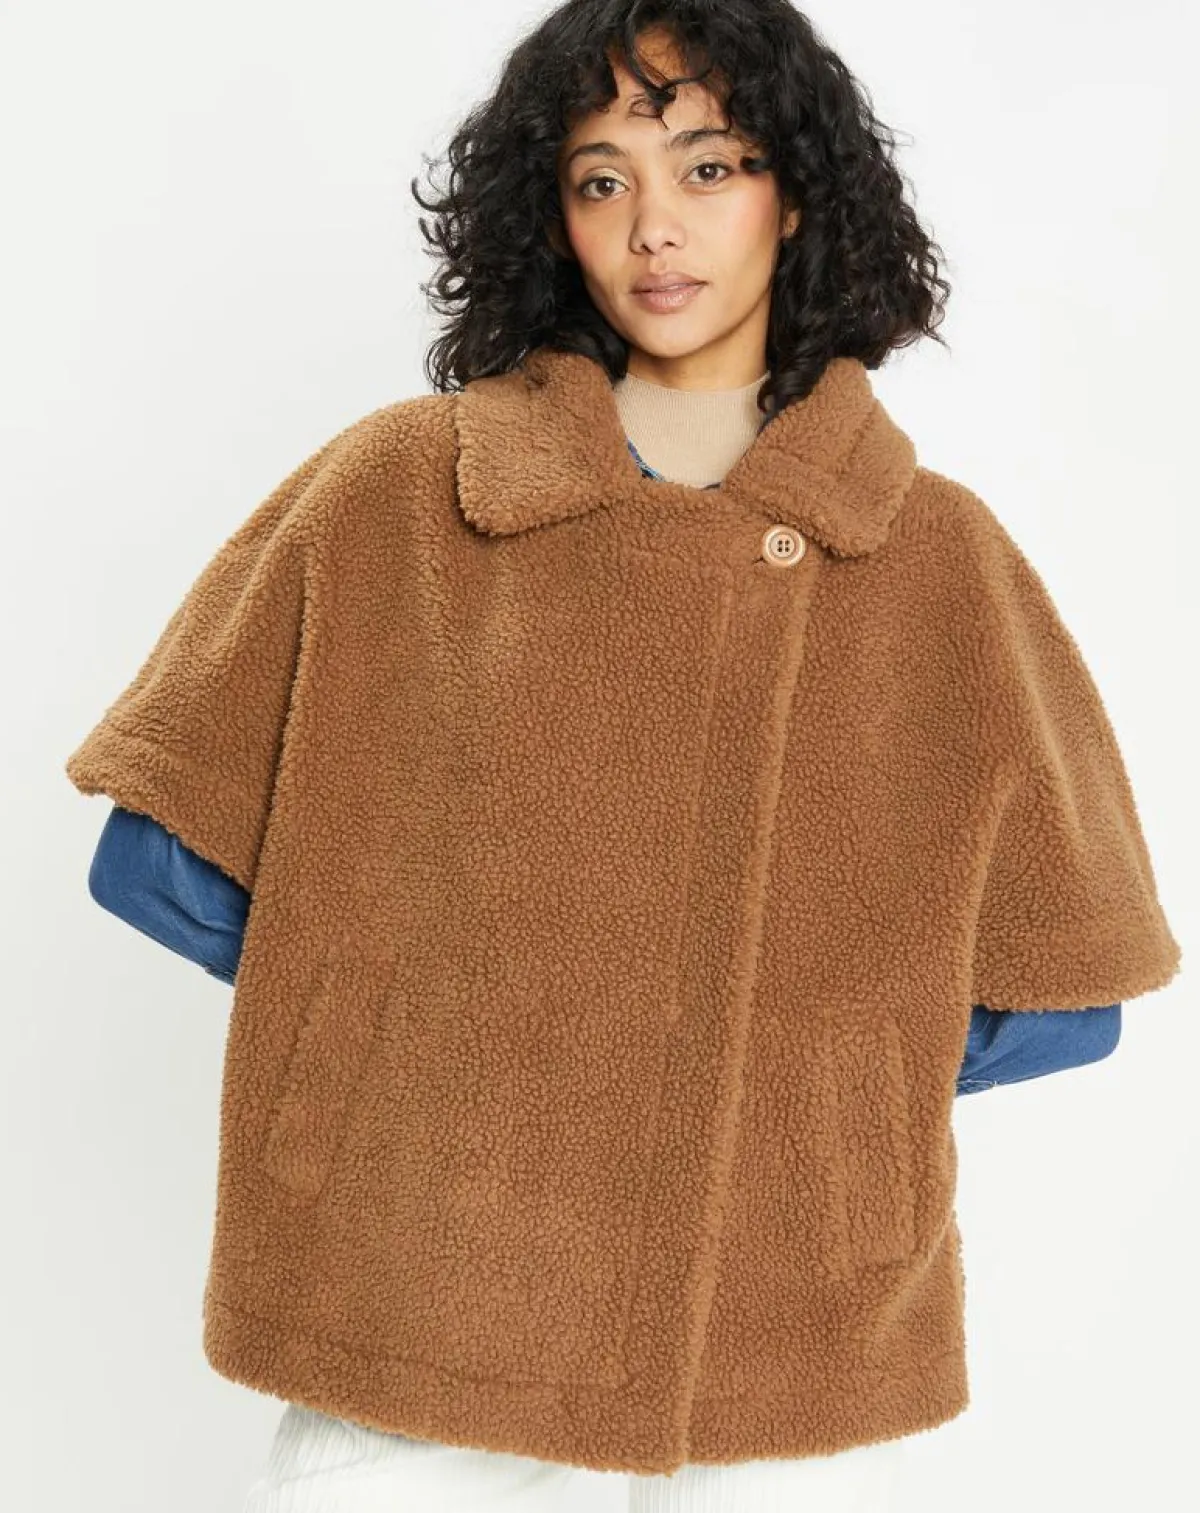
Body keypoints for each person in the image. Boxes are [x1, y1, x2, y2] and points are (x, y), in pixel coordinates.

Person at [64, 3, 1178, 1510]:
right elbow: (158, 859)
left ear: (799, 195)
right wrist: (419, 1036)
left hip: (785, 1317)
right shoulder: (400, 490)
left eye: (709, 167)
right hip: (426, 1282)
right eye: (602, 180)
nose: (655, 225)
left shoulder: (939, 560)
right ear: (551, 218)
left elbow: (1070, 991)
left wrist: (809, 1077)